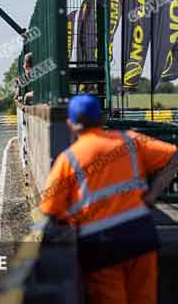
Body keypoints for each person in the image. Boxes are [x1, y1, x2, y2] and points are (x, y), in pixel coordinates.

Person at [39, 94, 178, 304]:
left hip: (100, 244)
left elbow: (50, 209)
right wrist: (152, 194)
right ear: (102, 119)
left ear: (70, 124)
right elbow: (174, 156)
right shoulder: (130, 141)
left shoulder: (68, 159)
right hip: (141, 234)